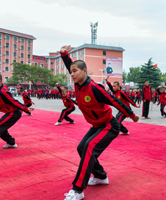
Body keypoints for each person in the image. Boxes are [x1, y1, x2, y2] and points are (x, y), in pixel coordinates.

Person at [60, 45, 139, 200]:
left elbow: (115, 101)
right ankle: (101, 176)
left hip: (109, 126)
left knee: (89, 147)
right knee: (81, 148)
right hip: (97, 126)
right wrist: (64, 55)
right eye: (71, 71)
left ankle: (77, 190)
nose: (72, 74)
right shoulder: (77, 85)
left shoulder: (95, 88)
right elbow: (71, 65)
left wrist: (131, 114)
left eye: (75, 71)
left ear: (84, 71)